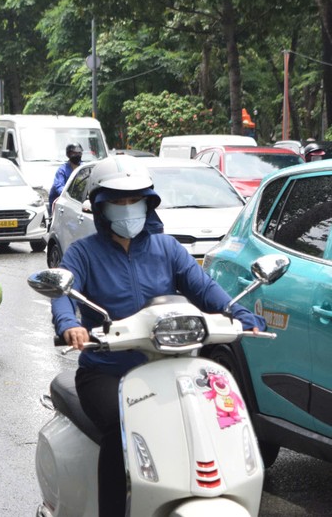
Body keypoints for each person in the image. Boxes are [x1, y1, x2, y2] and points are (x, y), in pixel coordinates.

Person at [50, 155, 265, 517]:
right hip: (107, 371)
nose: (127, 208)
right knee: (122, 432)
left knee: (214, 420)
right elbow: (62, 293)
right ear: (100, 208)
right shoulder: (83, 253)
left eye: (134, 200)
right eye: (117, 202)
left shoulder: (167, 249)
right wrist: (68, 324)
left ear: (148, 203)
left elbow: (204, 287)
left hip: (171, 367)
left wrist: (238, 313)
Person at [48, 143, 84, 212]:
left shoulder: (84, 168)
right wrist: (70, 197)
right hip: (61, 202)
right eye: (74, 153)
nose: (77, 155)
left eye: (78, 153)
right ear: (69, 154)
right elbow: (59, 187)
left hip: (78, 202)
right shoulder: (62, 170)